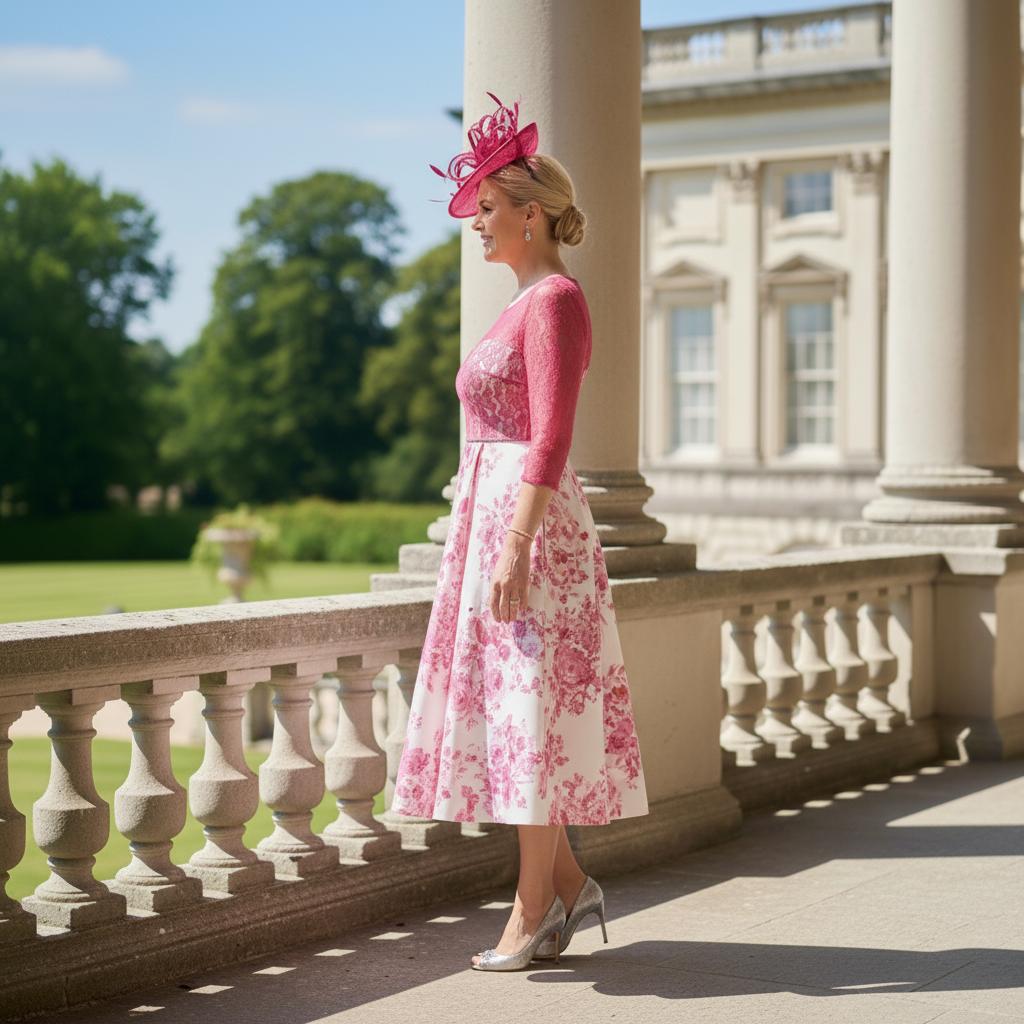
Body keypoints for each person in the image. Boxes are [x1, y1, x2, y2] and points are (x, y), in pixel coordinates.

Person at [391, 92, 649, 971]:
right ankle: (568, 885)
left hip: (530, 534)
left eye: (490, 210)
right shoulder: (518, 303)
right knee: (512, 718)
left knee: (528, 723)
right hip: (497, 520)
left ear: (531, 216)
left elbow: (552, 433)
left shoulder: (555, 303)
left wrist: (512, 547)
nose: (478, 225)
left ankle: (533, 908)